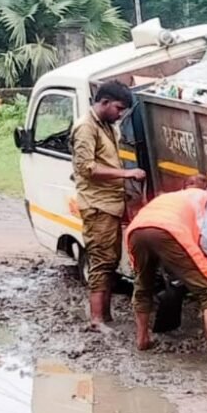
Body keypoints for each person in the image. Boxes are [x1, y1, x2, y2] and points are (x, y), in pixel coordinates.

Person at [125, 174, 207, 365]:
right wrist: (206, 261)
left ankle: (142, 340)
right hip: (169, 231)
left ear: (184, 186)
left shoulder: (167, 197)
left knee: (143, 284)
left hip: (136, 231)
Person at [71, 80, 146, 330]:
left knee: (111, 260)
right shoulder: (86, 127)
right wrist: (126, 175)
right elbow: (87, 168)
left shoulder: (108, 125)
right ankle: (96, 320)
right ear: (103, 102)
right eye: (118, 108)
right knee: (102, 261)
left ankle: (105, 315)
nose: (121, 114)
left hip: (111, 203)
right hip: (98, 206)